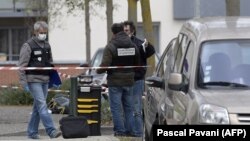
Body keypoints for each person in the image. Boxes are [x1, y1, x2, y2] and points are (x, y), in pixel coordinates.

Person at [17, 21, 61, 139]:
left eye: (45, 33)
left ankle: (31, 132)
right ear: (35, 32)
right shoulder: (28, 45)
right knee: (42, 105)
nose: (43, 34)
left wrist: (56, 79)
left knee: (37, 107)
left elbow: (50, 63)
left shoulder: (47, 45)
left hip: (45, 80)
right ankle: (51, 130)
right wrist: (23, 82)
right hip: (33, 80)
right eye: (41, 32)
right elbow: (21, 65)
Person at [96, 23, 140, 137]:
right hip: (129, 82)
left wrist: (98, 71)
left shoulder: (111, 46)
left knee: (116, 109)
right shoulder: (132, 45)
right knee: (129, 109)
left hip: (115, 82)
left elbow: (105, 64)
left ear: (113, 33)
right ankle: (130, 131)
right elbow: (137, 63)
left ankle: (120, 132)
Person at [123, 21, 155, 137]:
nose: (124, 32)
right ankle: (128, 132)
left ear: (132, 31)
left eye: (126, 30)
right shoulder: (120, 44)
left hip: (137, 81)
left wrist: (148, 45)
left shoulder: (139, 43)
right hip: (124, 80)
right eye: (123, 30)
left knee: (136, 109)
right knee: (127, 108)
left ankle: (138, 133)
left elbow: (151, 52)